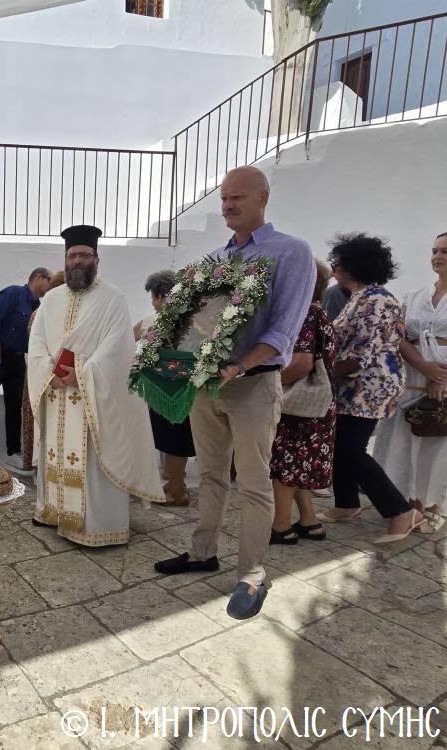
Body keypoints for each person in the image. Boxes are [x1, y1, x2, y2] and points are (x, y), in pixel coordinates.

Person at [154, 166, 315, 621]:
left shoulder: (291, 252)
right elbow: (189, 324)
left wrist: (239, 364)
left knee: (253, 481)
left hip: (253, 385)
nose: (227, 205)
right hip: (207, 386)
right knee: (207, 475)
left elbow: (285, 329)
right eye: (224, 198)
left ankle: (252, 574)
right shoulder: (212, 261)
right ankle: (202, 551)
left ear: (263, 197)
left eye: (237, 197)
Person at [27, 225, 162, 546]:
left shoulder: (113, 298)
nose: (77, 260)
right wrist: (49, 369)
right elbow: (37, 342)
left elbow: (118, 348)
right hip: (56, 393)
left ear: (96, 259)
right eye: (72, 255)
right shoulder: (51, 299)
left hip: (92, 398)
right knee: (55, 453)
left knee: (90, 463)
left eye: (84, 255)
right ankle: (55, 512)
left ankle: (96, 526)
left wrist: (82, 373)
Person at [321, 233, 423, 542]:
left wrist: (326, 376)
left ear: (353, 265)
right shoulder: (361, 297)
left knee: (351, 449)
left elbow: (359, 352)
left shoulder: (377, 299)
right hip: (355, 386)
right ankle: (347, 503)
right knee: (342, 443)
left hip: (368, 386)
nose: (333, 267)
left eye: (336, 263)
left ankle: (401, 512)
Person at [373, 232, 447, 522]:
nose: (437, 256)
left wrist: (438, 378)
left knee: (436, 437)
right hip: (412, 373)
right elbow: (399, 336)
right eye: (434, 251)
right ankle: (405, 499)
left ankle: (433, 504)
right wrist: (421, 364)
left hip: (442, 376)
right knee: (404, 438)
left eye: (445, 252)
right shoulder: (414, 296)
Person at [269, 259, 336, 544]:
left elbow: (300, 364)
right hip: (316, 405)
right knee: (300, 463)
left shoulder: (304, 314)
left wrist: (266, 380)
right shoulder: (320, 313)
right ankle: (309, 521)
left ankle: (281, 526)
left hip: (297, 405)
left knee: (284, 463)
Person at [0, 267, 52, 470]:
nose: (50, 287)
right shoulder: (13, 293)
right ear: (39, 278)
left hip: (18, 359)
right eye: (49, 281)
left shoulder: (37, 305)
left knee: (15, 406)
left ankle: (13, 451)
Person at [135, 269, 195, 506]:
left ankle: (177, 491)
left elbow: (124, 338)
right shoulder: (191, 321)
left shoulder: (156, 322)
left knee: (173, 440)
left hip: (169, 390)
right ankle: (173, 486)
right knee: (170, 440)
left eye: (153, 296)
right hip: (173, 389)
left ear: (161, 296)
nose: (152, 302)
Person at [20, 271, 64, 472]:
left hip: (40, 371)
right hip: (44, 371)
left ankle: (37, 463)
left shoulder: (41, 311)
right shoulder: (42, 313)